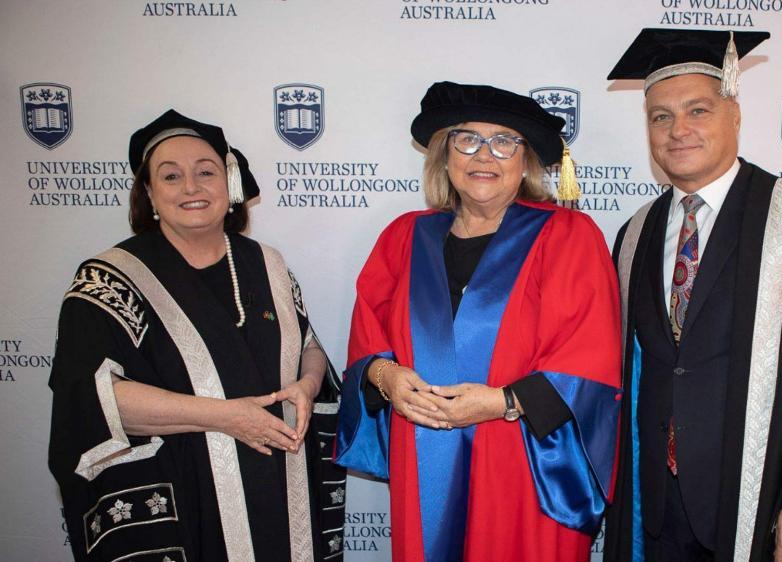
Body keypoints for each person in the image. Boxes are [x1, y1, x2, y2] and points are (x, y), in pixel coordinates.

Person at [601, 29, 782, 562]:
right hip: (657, 504)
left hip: (761, 500)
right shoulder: (635, 234)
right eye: (660, 117)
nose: (677, 130)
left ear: (735, 113)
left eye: (698, 110)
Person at [335, 81, 621, 562]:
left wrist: (502, 401)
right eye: (466, 139)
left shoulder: (568, 236)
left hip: (524, 459)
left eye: (504, 141)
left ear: (526, 160)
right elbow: (368, 338)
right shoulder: (403, 238)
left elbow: (592, 356)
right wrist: (385, 378)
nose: (484, 155)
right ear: (445, 155)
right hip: (424, 452)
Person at [48, 109, 346, 561]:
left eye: (205, 172)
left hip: (281, 488)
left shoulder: (267, 264)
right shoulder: (109, 280)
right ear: (148, 192)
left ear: (229, 185)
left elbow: (309, 347)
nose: (191, 187)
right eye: (171, 176)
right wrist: (223, 416)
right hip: (183, 495)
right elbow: (91, 397)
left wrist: (307, 385)